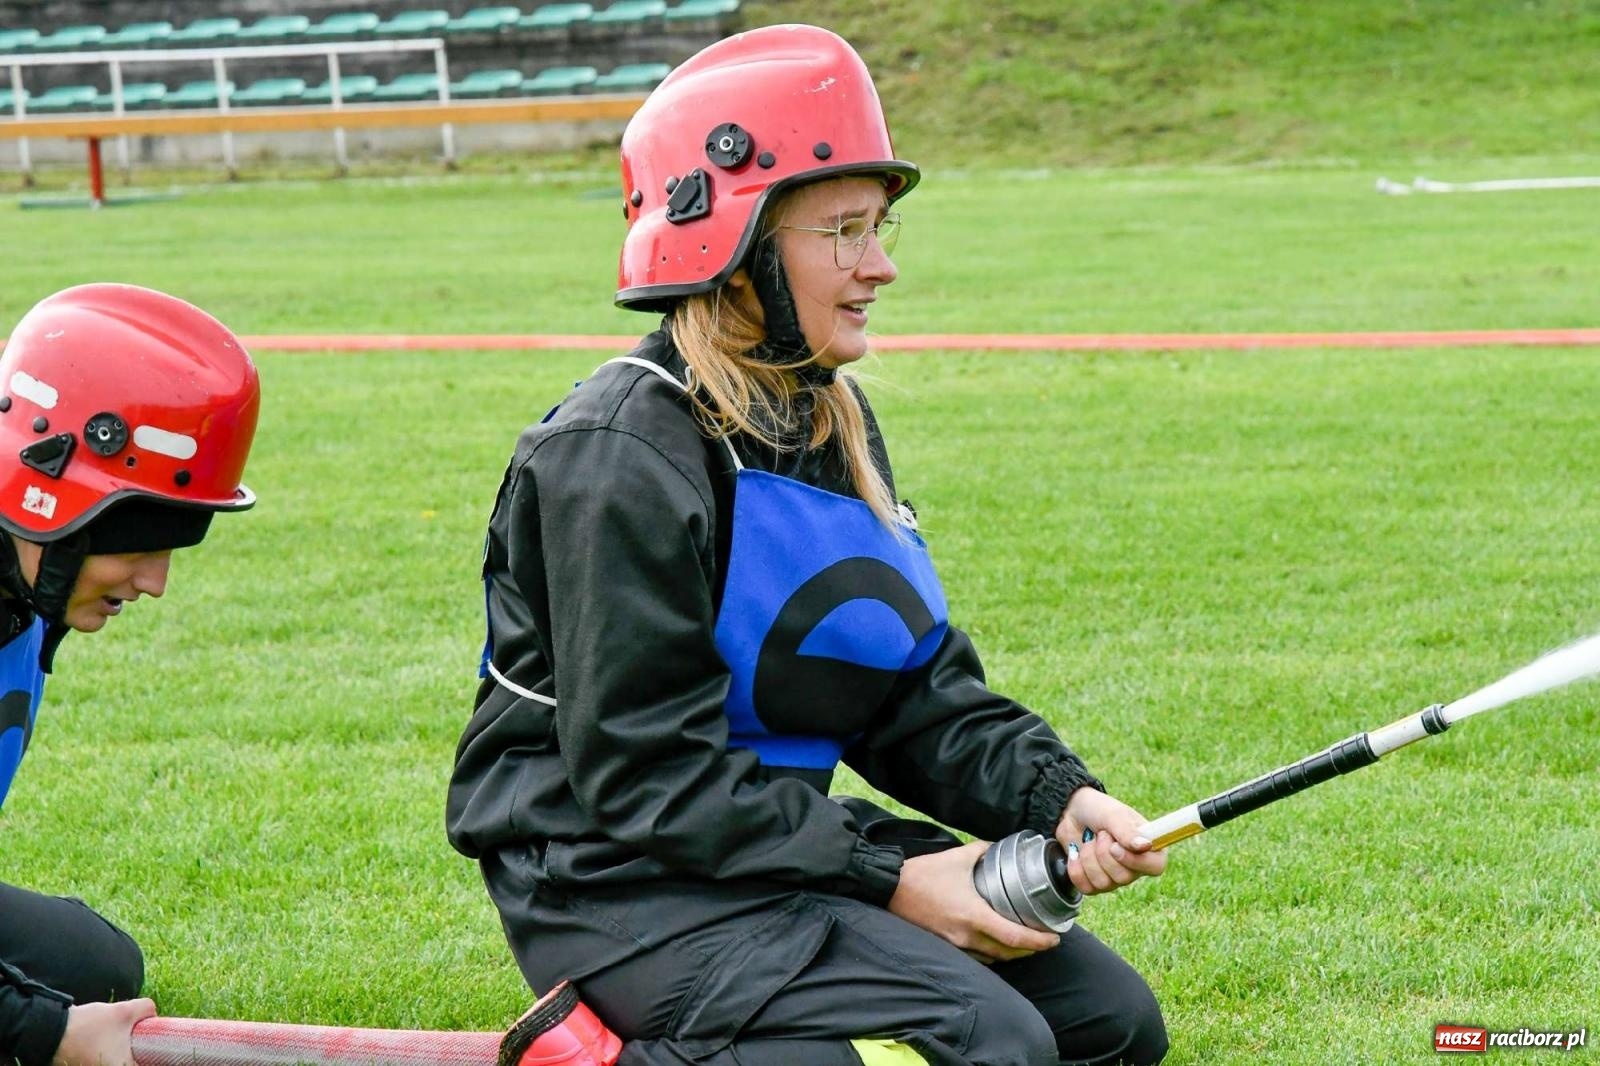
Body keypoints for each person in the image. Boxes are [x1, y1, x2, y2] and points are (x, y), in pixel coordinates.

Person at [448, 24, 1168, 1066]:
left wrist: (1057, 796)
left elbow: (910, 697)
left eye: (879, 229)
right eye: (841, 232)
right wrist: (891, 876)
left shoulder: (828, 417)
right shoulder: (616, 454)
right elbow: (647, 776)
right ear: (731, 250)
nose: (878, 267)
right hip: (615, 880)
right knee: (993, 1042)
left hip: (764, 847)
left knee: (1106, 1024)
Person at [0, 284, 261, 1066]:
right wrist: (42, 1034)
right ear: (43, 493)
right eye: (137, 541)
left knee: (94, 972)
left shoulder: (25, 584)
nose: (154, 582)